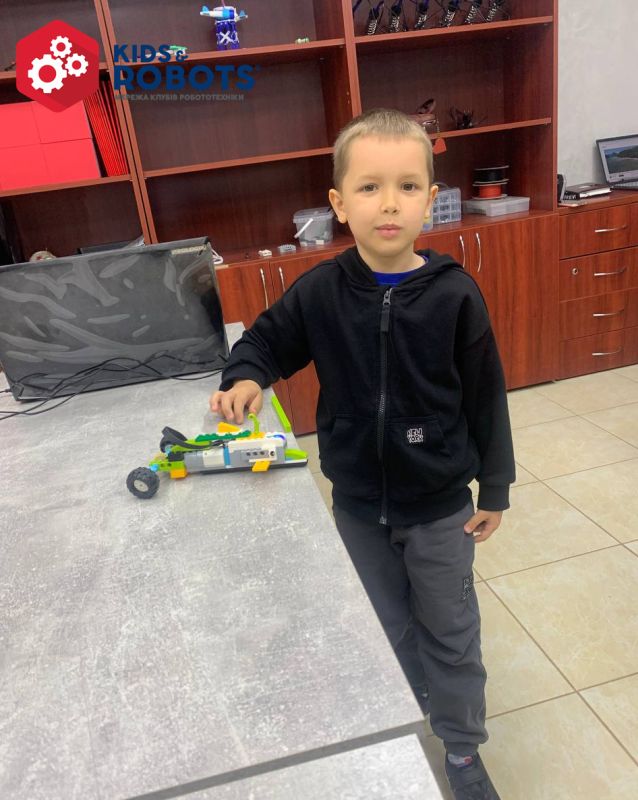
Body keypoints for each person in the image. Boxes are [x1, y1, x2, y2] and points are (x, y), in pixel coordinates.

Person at [210, 108, 515, 800]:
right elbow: (265, 340)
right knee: (383, 626)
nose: (389, 203)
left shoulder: (454, 295)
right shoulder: (321, 290)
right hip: (356, 508)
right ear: (339, 204)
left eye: (407, 186)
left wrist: (495, 488)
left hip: (439, 509)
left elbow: (486, 397)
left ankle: (462, 750)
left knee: (450, 630)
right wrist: (247, 376)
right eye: (370, 187)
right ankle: (402, 713)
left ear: (430, 200)